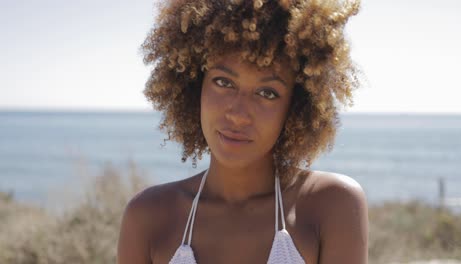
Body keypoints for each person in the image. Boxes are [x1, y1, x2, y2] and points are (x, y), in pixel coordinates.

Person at [118, 0, 368, 263]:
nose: (238, 114)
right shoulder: (148, 217)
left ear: (296, 107)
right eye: (223, 82)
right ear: (194, 86)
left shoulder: (330, 205)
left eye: (267, 93)